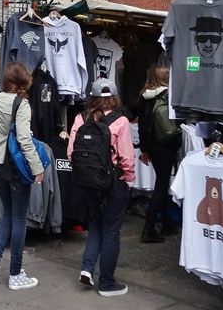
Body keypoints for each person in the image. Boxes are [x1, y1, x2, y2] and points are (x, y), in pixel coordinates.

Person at [68, 78, 135, 297]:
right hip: (113, 181)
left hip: (87, 182)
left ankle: (87, 269)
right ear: (114, 98)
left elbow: (71, 153)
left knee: (95, 224)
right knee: (111, 230)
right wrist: (129, 178)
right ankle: (106, 283)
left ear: (92, 98)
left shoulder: (80, 118)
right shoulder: (121, 121)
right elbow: (126, 156)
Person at [0, 62, 44, 291]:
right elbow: (24, 140)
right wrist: (38, 168)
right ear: (24, 80)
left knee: (7, 214)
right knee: (19, 219)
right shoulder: (22, 104)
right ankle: (16, 273)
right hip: (15, 165)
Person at [138, 66, 180, 243]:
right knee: (162, 184)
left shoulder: (144, 96)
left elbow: (142, 125)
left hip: (152, 146)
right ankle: (149, 227)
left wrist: (144, 148)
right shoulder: (168, 96)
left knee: (160, 182)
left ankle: (167, 223)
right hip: (166, 144)